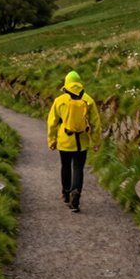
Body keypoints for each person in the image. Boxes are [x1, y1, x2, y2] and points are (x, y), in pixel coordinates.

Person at [47, 70, 102, 213]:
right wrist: (96, 141)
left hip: (65, 140)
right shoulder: (88, 100)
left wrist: (52, 140)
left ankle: (66, 193)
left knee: (65, 166)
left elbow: (52, 123)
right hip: (82, 142)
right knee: (78, 168)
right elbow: (95, 123)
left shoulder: (60, 100)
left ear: (66, 83)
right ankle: (76, 193)